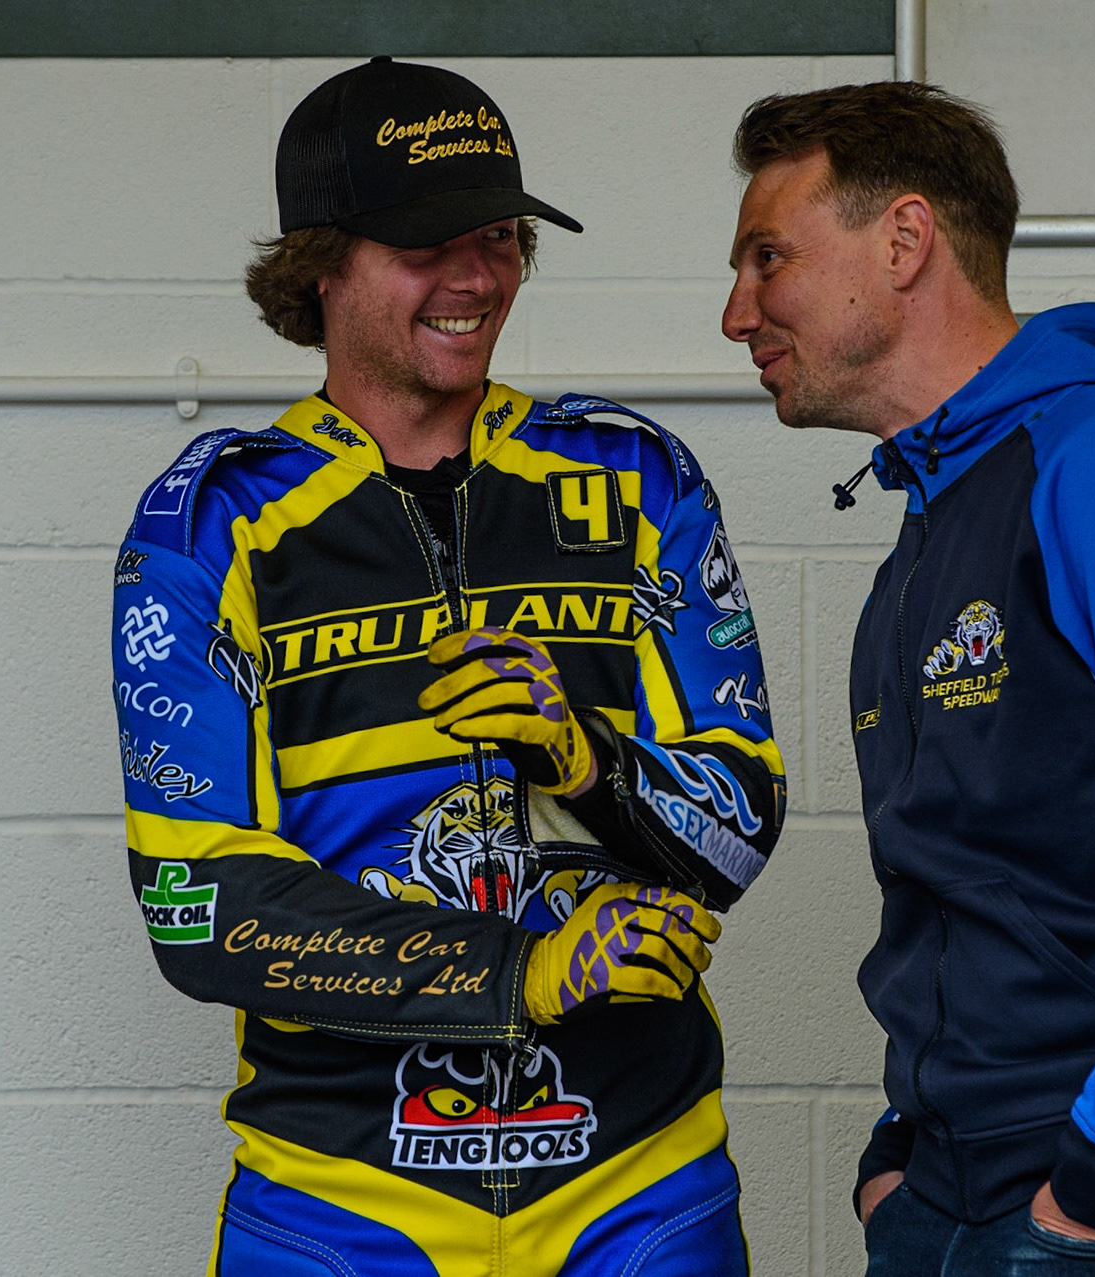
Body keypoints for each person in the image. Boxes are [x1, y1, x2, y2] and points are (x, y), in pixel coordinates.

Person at [114, 58, 784, 1277]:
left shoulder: (637, 479)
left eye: (499, 235)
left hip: (640, 1181)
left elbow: (738, 830)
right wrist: (524, 970)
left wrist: (585, 758)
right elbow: (194, 902)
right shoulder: (213, 520)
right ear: (321, 263)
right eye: (426, 242)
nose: (476, 276)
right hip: (339, 1201)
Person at [721, 82, 1095, 1274]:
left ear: (903, 241)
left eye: (768, 257)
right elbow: (969, 876)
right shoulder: (941, 513)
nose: (738, 312)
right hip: (953, 1189)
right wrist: (900, 1150)